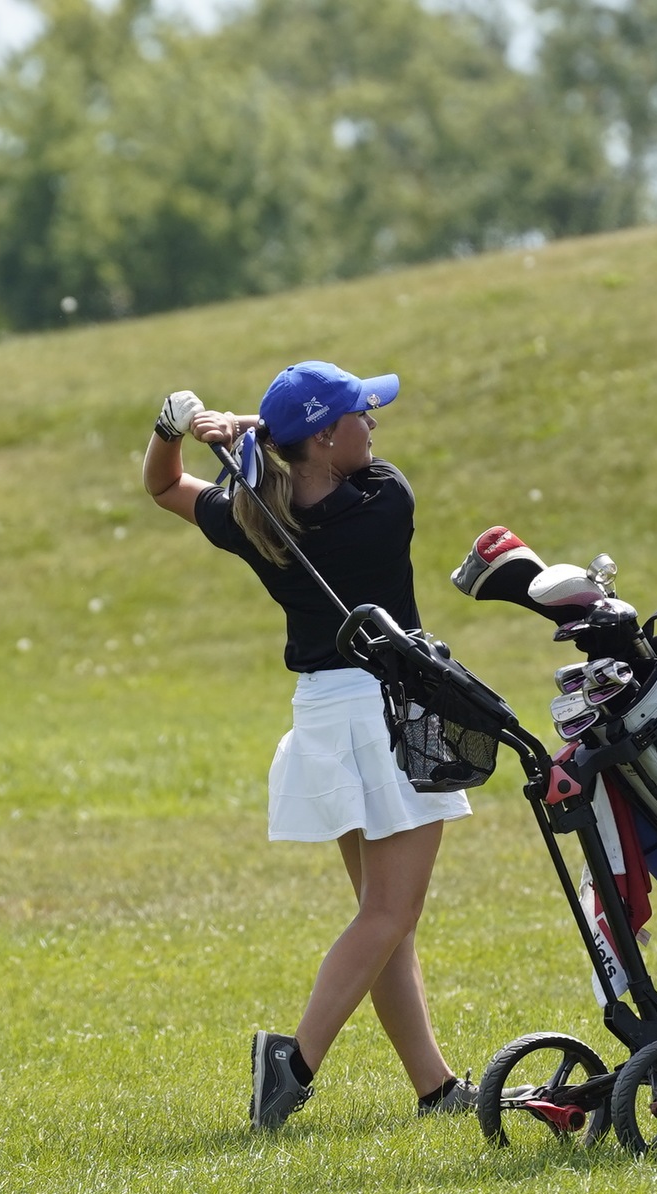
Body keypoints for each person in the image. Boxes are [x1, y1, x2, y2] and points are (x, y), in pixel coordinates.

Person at [144, 361, 477, 1131]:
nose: (375, 425)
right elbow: (357, 467)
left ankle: (434, 1086)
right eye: (362, 413)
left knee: (383, 918)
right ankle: (292, 1063)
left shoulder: (255, 513)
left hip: (325, 714)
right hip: (389, 710)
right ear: (325, 436)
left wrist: (175, 429)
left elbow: (165, 487)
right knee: (390, 911)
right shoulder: (386, 500)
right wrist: (256, 429)